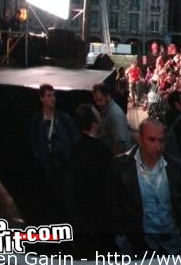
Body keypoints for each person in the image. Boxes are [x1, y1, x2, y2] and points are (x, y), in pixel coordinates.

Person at [112, 118, 181, 254]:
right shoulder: (122, 167)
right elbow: (115, 202)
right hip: (141, 246)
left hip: (176, 243)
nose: (157, 146)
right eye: (151, 140)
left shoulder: (178, 167)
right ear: (139, 139)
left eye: (161, 140)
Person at [69, 103, 114, 256]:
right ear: (94, 124)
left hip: (83, 208)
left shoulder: (74, 148)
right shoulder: (102, 149)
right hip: (102, 210)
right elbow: (109, 181)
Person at [29, 83, 77, 209]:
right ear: (42, 98)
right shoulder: (37, 119)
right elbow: (33, 140)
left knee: (67, 198)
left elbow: (74, 138)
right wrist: (39, 157)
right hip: (47, 163)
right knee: (51, 198)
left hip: (64, 162)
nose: (52, 99)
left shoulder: (63, 118)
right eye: (49, 96)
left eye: (53, 95)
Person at [92, 82, 132, 156]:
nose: (97, 103)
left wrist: (111, 162)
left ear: (108, 97)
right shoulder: (106, 111)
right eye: (96, 101)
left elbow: (119, 144)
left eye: (100, 100)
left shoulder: (115, 116)